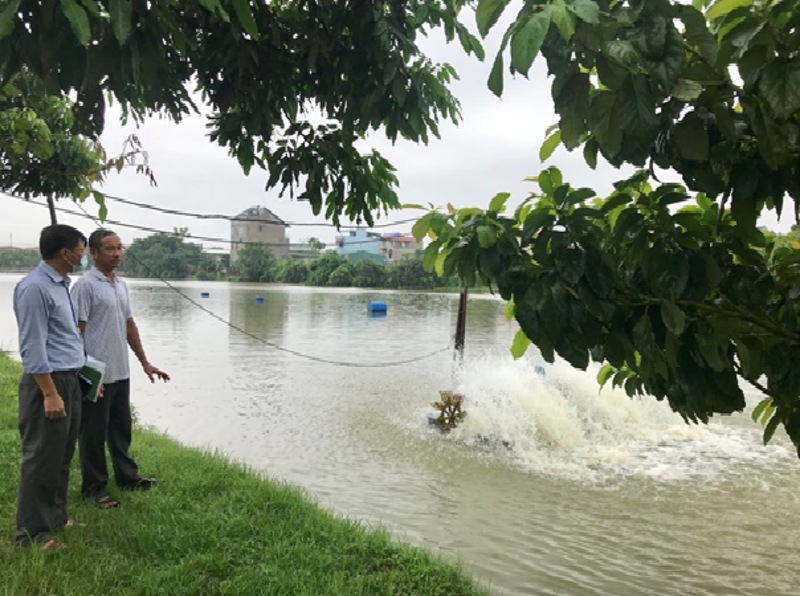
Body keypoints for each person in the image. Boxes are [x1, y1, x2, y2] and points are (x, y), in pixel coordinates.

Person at [72, 229, 169, 508]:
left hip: (120, 371)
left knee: (120, 429)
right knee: (92, 434)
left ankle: (128, 477)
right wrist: (87, 375)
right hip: (95, 375)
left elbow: (129, 325)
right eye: (109, 249)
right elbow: (76, 333)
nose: (117, 254)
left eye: (119, 248)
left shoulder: (120, 284)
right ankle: (94, 489)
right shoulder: (85, 286)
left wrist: (145, 362)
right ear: (94, 253)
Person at [13, 224, 88, 548]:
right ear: (65, 253)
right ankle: (31, 534)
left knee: (61, 454)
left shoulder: (61, 286)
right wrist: (49, 392)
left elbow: (65, 337)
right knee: (41, 457)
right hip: (48, 382)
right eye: (82, 248)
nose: (83, 255)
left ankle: (56, 517)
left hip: (68, 379)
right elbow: (33, 346)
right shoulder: (35, 288)